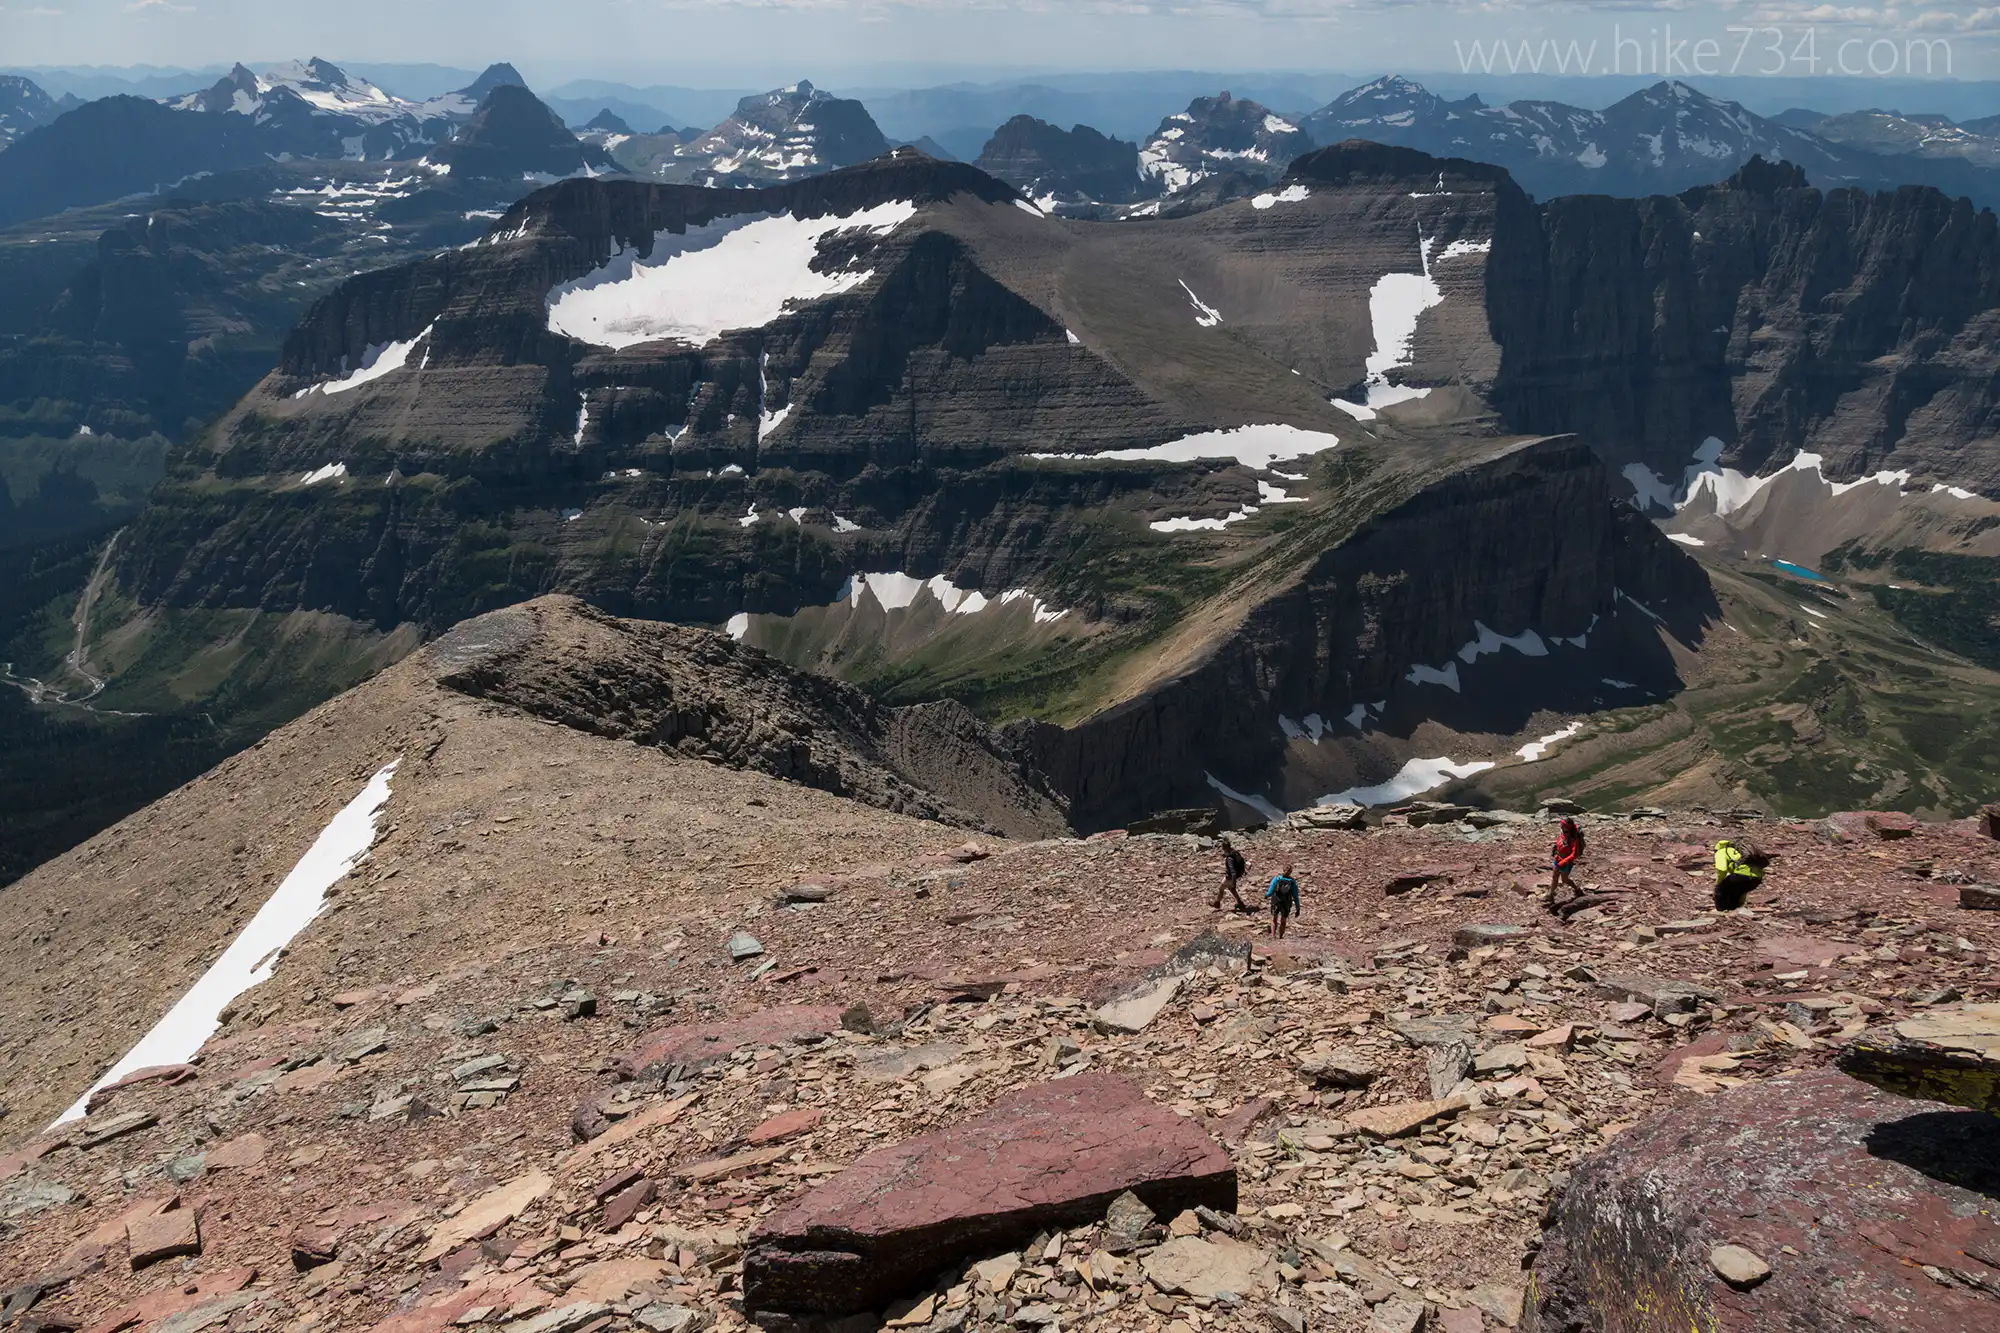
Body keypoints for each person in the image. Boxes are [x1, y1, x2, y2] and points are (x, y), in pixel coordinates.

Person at [1713, 838, 1765, 911]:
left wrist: (1718, 884)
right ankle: (1735, 909)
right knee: (1737, 891)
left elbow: (1722, 869)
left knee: (1721, 889)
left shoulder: (1721, 852)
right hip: (1757, 878)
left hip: (1742, 875)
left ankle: (1720, 910)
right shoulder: (1737, 852)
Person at [1548, 817, 1585, 905]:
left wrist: (1563, 862)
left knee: (1565, 879)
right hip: (1558, 858)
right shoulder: (1563, 833)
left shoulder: (1574, 838)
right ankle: (1550, 896)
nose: (1560, 825)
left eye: (1562, 825)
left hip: (1566, 862)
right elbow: (1560, 842)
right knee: (1554, 877)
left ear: (1567, 827)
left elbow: (1574, 854)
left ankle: (1577, 889)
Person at [1213, 836, 1250, 912]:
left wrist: (1234, 883)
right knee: (1231, 889)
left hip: (1230, 877)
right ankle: (1240, 903)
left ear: (1224, 847)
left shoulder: (1230, 858)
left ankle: (1217, 903)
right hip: (1237, 875)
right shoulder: (1234, 852)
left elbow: (1233, 872)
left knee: (1221, 889)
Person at [1265, 862, 1300, 940]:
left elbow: (1270, 891)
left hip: (1276, 901)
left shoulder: (1277, 879)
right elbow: (1296, 896)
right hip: (1286, 902)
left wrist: (1266, 896)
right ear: (1291, 872)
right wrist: (1298, 908)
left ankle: (1273, 936)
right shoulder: (1292, 882)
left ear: (1283, 869)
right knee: (1283, 920)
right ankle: (1280, 936)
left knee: (1274, 919)